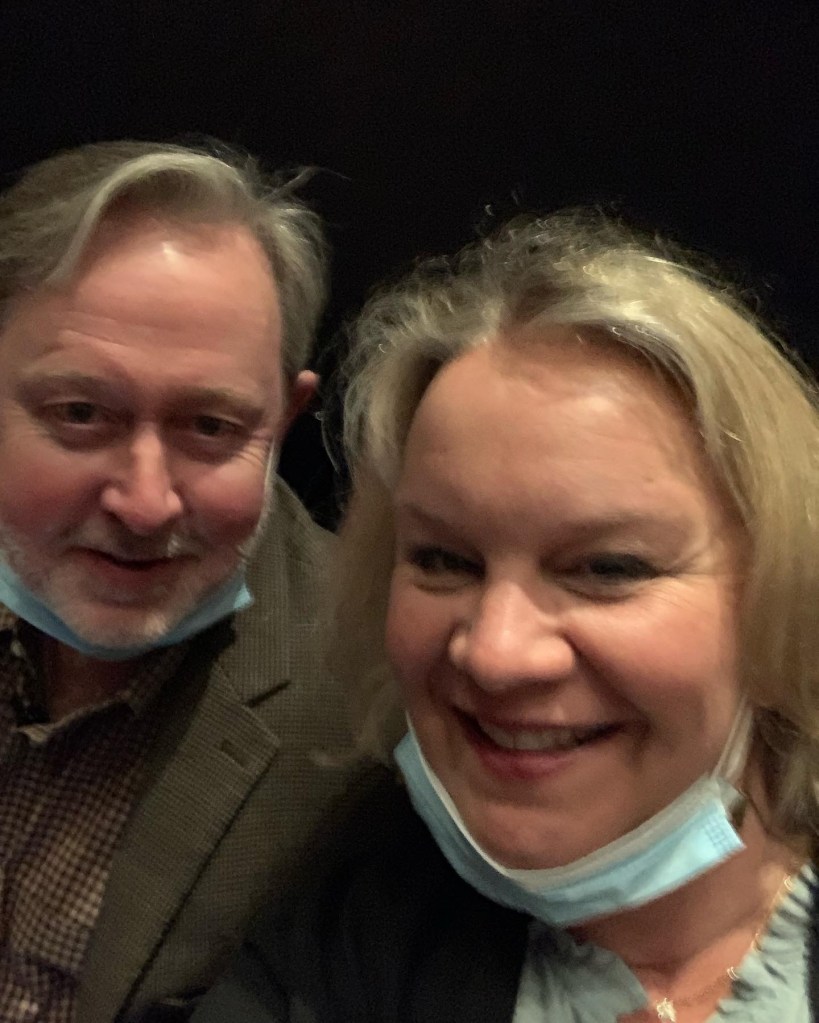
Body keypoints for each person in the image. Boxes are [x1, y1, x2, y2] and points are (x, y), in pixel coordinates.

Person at [193, 210, 819, 1023]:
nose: (495, 653)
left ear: (780, 592)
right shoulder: (327, 949)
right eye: (443, 559)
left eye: (606, 568)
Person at [0, 140, 355, 1023]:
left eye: (210, 426)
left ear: (284, 419)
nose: (146, 502)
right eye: (81, 413)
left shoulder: (373, 715)